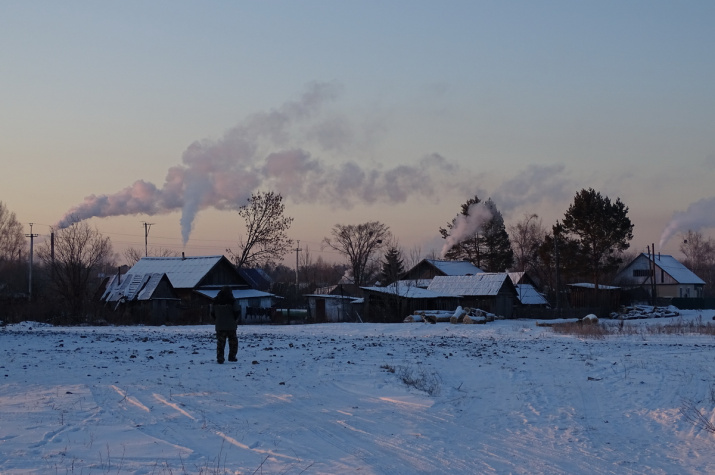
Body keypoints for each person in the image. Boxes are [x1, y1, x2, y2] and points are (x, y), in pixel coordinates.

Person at [210, 286, 239, 364]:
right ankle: (232, 357)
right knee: (233, 342)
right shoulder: (233, 300)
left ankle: (220, 357)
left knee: (220, 342)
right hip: (231, 325)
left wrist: (217, 320)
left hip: (220, 325)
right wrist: (234, 319)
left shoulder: (215, 300)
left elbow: (212, 313)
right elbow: (237, 311)